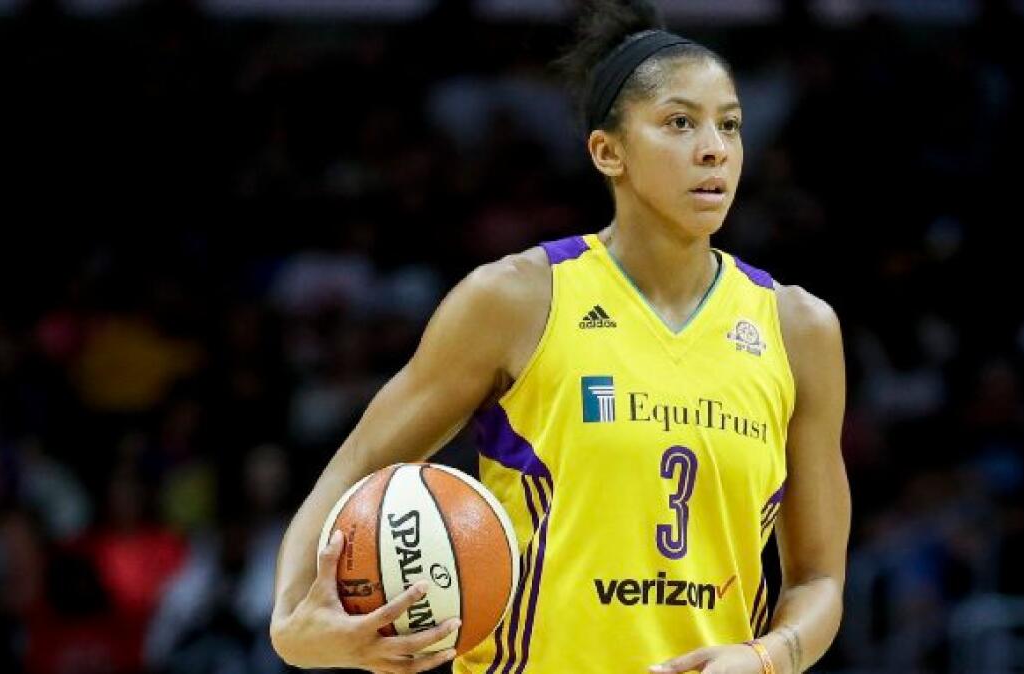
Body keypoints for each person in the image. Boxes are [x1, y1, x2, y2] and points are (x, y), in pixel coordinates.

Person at [269, 1, 850, 672]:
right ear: (609, 152)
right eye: (680, 123)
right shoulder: (517, 299)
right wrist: (292, 626)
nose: (714, 148)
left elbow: (818, 579)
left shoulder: (798, 328)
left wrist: (769, 657)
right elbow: (354, 465)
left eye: (730, 125)